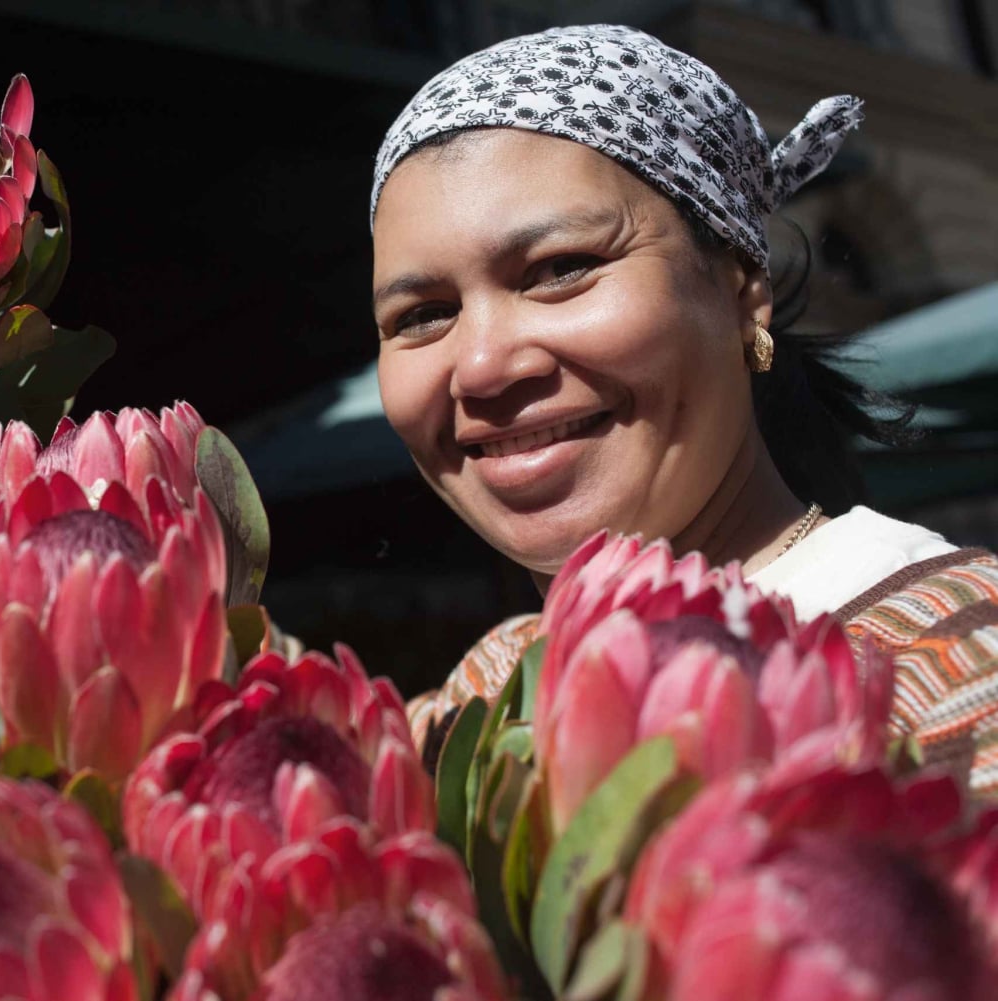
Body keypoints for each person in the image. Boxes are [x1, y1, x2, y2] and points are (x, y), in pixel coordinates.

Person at [368, 24, 998, 795]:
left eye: (561, 269)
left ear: (742, 290)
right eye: (423, 315)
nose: (482, 367)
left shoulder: (960, 668)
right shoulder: (468, 709)